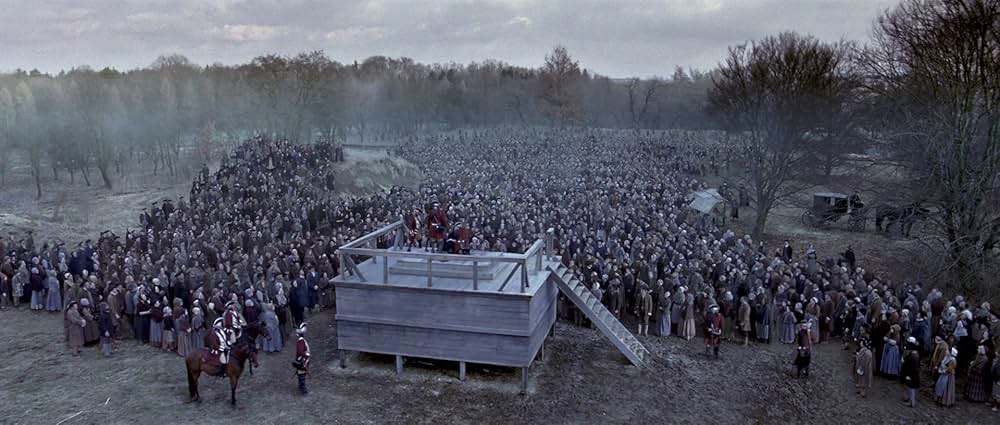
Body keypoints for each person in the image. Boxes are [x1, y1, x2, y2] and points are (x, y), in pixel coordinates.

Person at [900, 337, 921, 408]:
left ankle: (912, 402)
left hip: (911, 375)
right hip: (910, 374)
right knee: (909, 387)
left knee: (911, 388)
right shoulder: (913, 354)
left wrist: (909, 375)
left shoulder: (914, 356)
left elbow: (913, 368)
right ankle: (909, 399)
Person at [293, 322, 311, 395]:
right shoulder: (301, 341)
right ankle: (303, 388)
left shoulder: (301, 340)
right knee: (302, 373)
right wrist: (306, 354)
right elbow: (300, 351)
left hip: (302, 359)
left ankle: (301, 386)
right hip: (302, 360)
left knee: (301, 373)